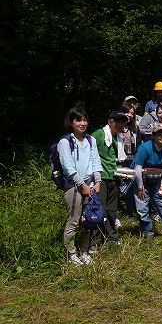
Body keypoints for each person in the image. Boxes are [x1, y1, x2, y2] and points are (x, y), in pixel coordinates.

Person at [58, 106, 103, 265]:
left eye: (85, 119)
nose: (82, 123)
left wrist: (98, 181)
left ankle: (84, 251)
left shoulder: (91, 140)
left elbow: (96, 161)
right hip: (74, 187)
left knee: (88, 220)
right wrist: (82, 185)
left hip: (91, 186)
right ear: (71, 122)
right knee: (74, 220)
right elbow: (68, 167)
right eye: (78, 120)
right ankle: (71, 255)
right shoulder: (65, 142)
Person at [132, 122, 162, 238]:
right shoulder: (144, 148)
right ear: (153, 135)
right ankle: (147, 230)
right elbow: (137, 169)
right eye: (159, 134)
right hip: (141, 178)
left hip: (158, 178)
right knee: (142, 205)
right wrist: (140, 187)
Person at [92, 110, 128, 247]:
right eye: (117, 121)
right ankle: (95, 240)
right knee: (99, 209)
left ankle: (112, 236)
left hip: (114, 178)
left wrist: (122, 169)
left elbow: (116, 160)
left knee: (112, 210)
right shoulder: (100, 134)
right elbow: (88, 152)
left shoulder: (119, 138)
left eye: (122, 122)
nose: (120, 124)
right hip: (100, 178)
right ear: (109, 122)